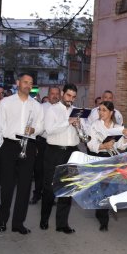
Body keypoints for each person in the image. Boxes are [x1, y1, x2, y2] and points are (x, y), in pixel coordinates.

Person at [0, 73, 44, 235]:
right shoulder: (5, 102)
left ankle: (18, 223)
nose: (28, 85)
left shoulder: (37, 105)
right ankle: (3, 220)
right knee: (7, 186)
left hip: (29, 145)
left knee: (24, 187)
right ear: (18, 83)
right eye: (25, 82)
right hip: (10, 145)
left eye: (30, 83)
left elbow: (41, 126)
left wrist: (34, 130)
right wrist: (1, 147)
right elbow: (0, 126)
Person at [40, 83, 80, 234]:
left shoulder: (77, 111)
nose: (71, 99)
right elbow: (49, 130)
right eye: (69, 95)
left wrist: (80, 126)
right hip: (54, 152)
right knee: (49, 188)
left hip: (71, 152)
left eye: (74, 97)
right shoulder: (52, 110)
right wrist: (68, 122)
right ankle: (44, 219)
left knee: (68, 188)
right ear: (63, 93)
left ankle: (62, 224)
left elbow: (81, 134)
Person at [87, 101, 127, 231]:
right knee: (100, 187)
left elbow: (121, 146)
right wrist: (103, 146)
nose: (101, 112)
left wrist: (126, 136)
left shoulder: (117, 126)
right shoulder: (94, 125)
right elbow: (90, 144)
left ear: (111, 112)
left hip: (112, 159)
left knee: (110, 188)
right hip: (99, 158)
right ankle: (103, 219)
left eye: (104, 110)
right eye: (100, 110)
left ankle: (104, 209)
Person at [30, 87, 60, 205]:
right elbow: (35, 125)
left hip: (56, 144)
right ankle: (37, 194)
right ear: (48, 95)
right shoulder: (42, 108)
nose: (55, 96)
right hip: (42, 142)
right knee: (39, 170)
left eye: (57, 94)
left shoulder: (62, 109)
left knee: (53, 172)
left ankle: (50, 197)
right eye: (52, 93)